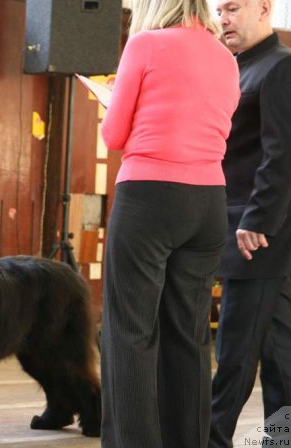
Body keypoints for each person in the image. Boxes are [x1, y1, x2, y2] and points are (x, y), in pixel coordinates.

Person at [98, 0, 241, 446]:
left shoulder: (144, 45)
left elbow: (114, 135)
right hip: (209, 202)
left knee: (130, 333)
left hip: (149, 197)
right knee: (189, 334)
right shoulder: (226, 57)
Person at [210, 1, 291, 446]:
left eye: (232, 8)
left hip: (256, 232)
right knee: (280, 356)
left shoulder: (279, 68)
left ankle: (210, 439)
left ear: (264, 9)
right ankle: (282, 440)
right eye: (219, 10)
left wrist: (257, 220)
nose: (223, 18)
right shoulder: (239, 69)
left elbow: (281, 154)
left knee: (236, 353)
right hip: (246, 227)